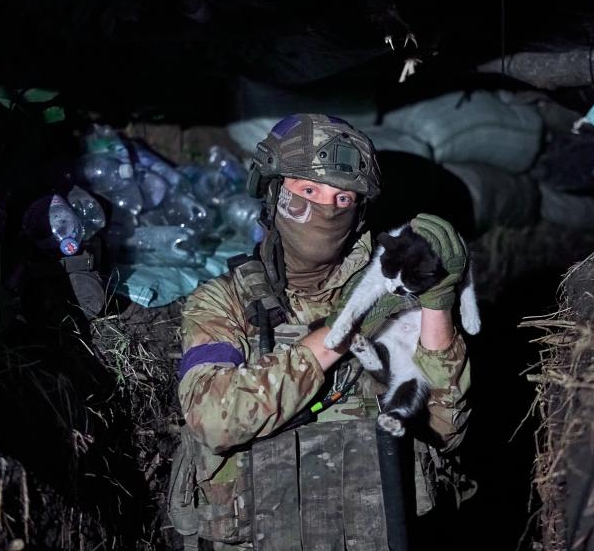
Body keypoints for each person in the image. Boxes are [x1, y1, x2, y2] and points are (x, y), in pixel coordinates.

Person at [168, 113, 472, 550]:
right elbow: (214, 420)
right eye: (307, 191)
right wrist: (339, 332)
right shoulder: (222, 303)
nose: (325, 211)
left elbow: (445, 431)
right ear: (271, 194)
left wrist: (436, 303)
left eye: (343, 198)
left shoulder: (393, 290)